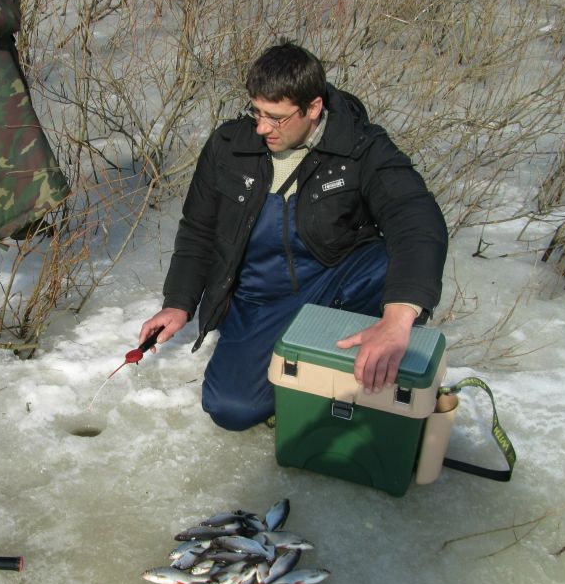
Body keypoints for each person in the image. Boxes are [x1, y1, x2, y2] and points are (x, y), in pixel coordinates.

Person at [139, 41, 448, 430]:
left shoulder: (360, 147)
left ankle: (365, 351)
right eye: (257, 112)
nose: (262, 127)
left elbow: (416, 216)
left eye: (277, 117)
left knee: (395, 266)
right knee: (230, 408)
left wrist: (398, 316)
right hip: (259, 299)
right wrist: (179, 302)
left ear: (314, 108)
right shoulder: (229, 146)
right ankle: (289, 362)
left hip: (332, 279)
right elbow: (198, 229)